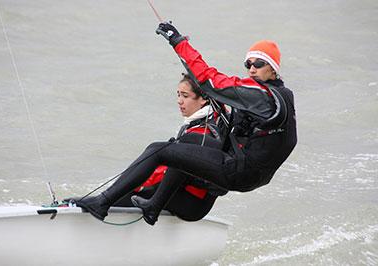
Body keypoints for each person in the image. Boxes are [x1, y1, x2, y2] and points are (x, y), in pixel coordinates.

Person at [68, 22, 297, 226]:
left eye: (258, 63)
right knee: (180, 153)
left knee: (158, 150)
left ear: (273, 69)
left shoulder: (263, 97)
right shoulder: (280, 97)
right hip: (250, 175)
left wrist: (178, 42)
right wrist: (188, 63)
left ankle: (102, 202)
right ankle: (153, 207)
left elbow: (209, 80)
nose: (252, 69)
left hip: (238, 172)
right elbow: (209, 85)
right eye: (248, 64)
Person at [110, 73, 227, 222]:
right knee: (130, 188)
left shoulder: (203, 132)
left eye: (185, 96)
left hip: (190, 203)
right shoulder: (205, 123)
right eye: (178, 95)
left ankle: (89, 206)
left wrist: (138, 184)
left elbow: (172, 170)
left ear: (203, 99)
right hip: (192, 199)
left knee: (127, 193)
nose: (179, 101)